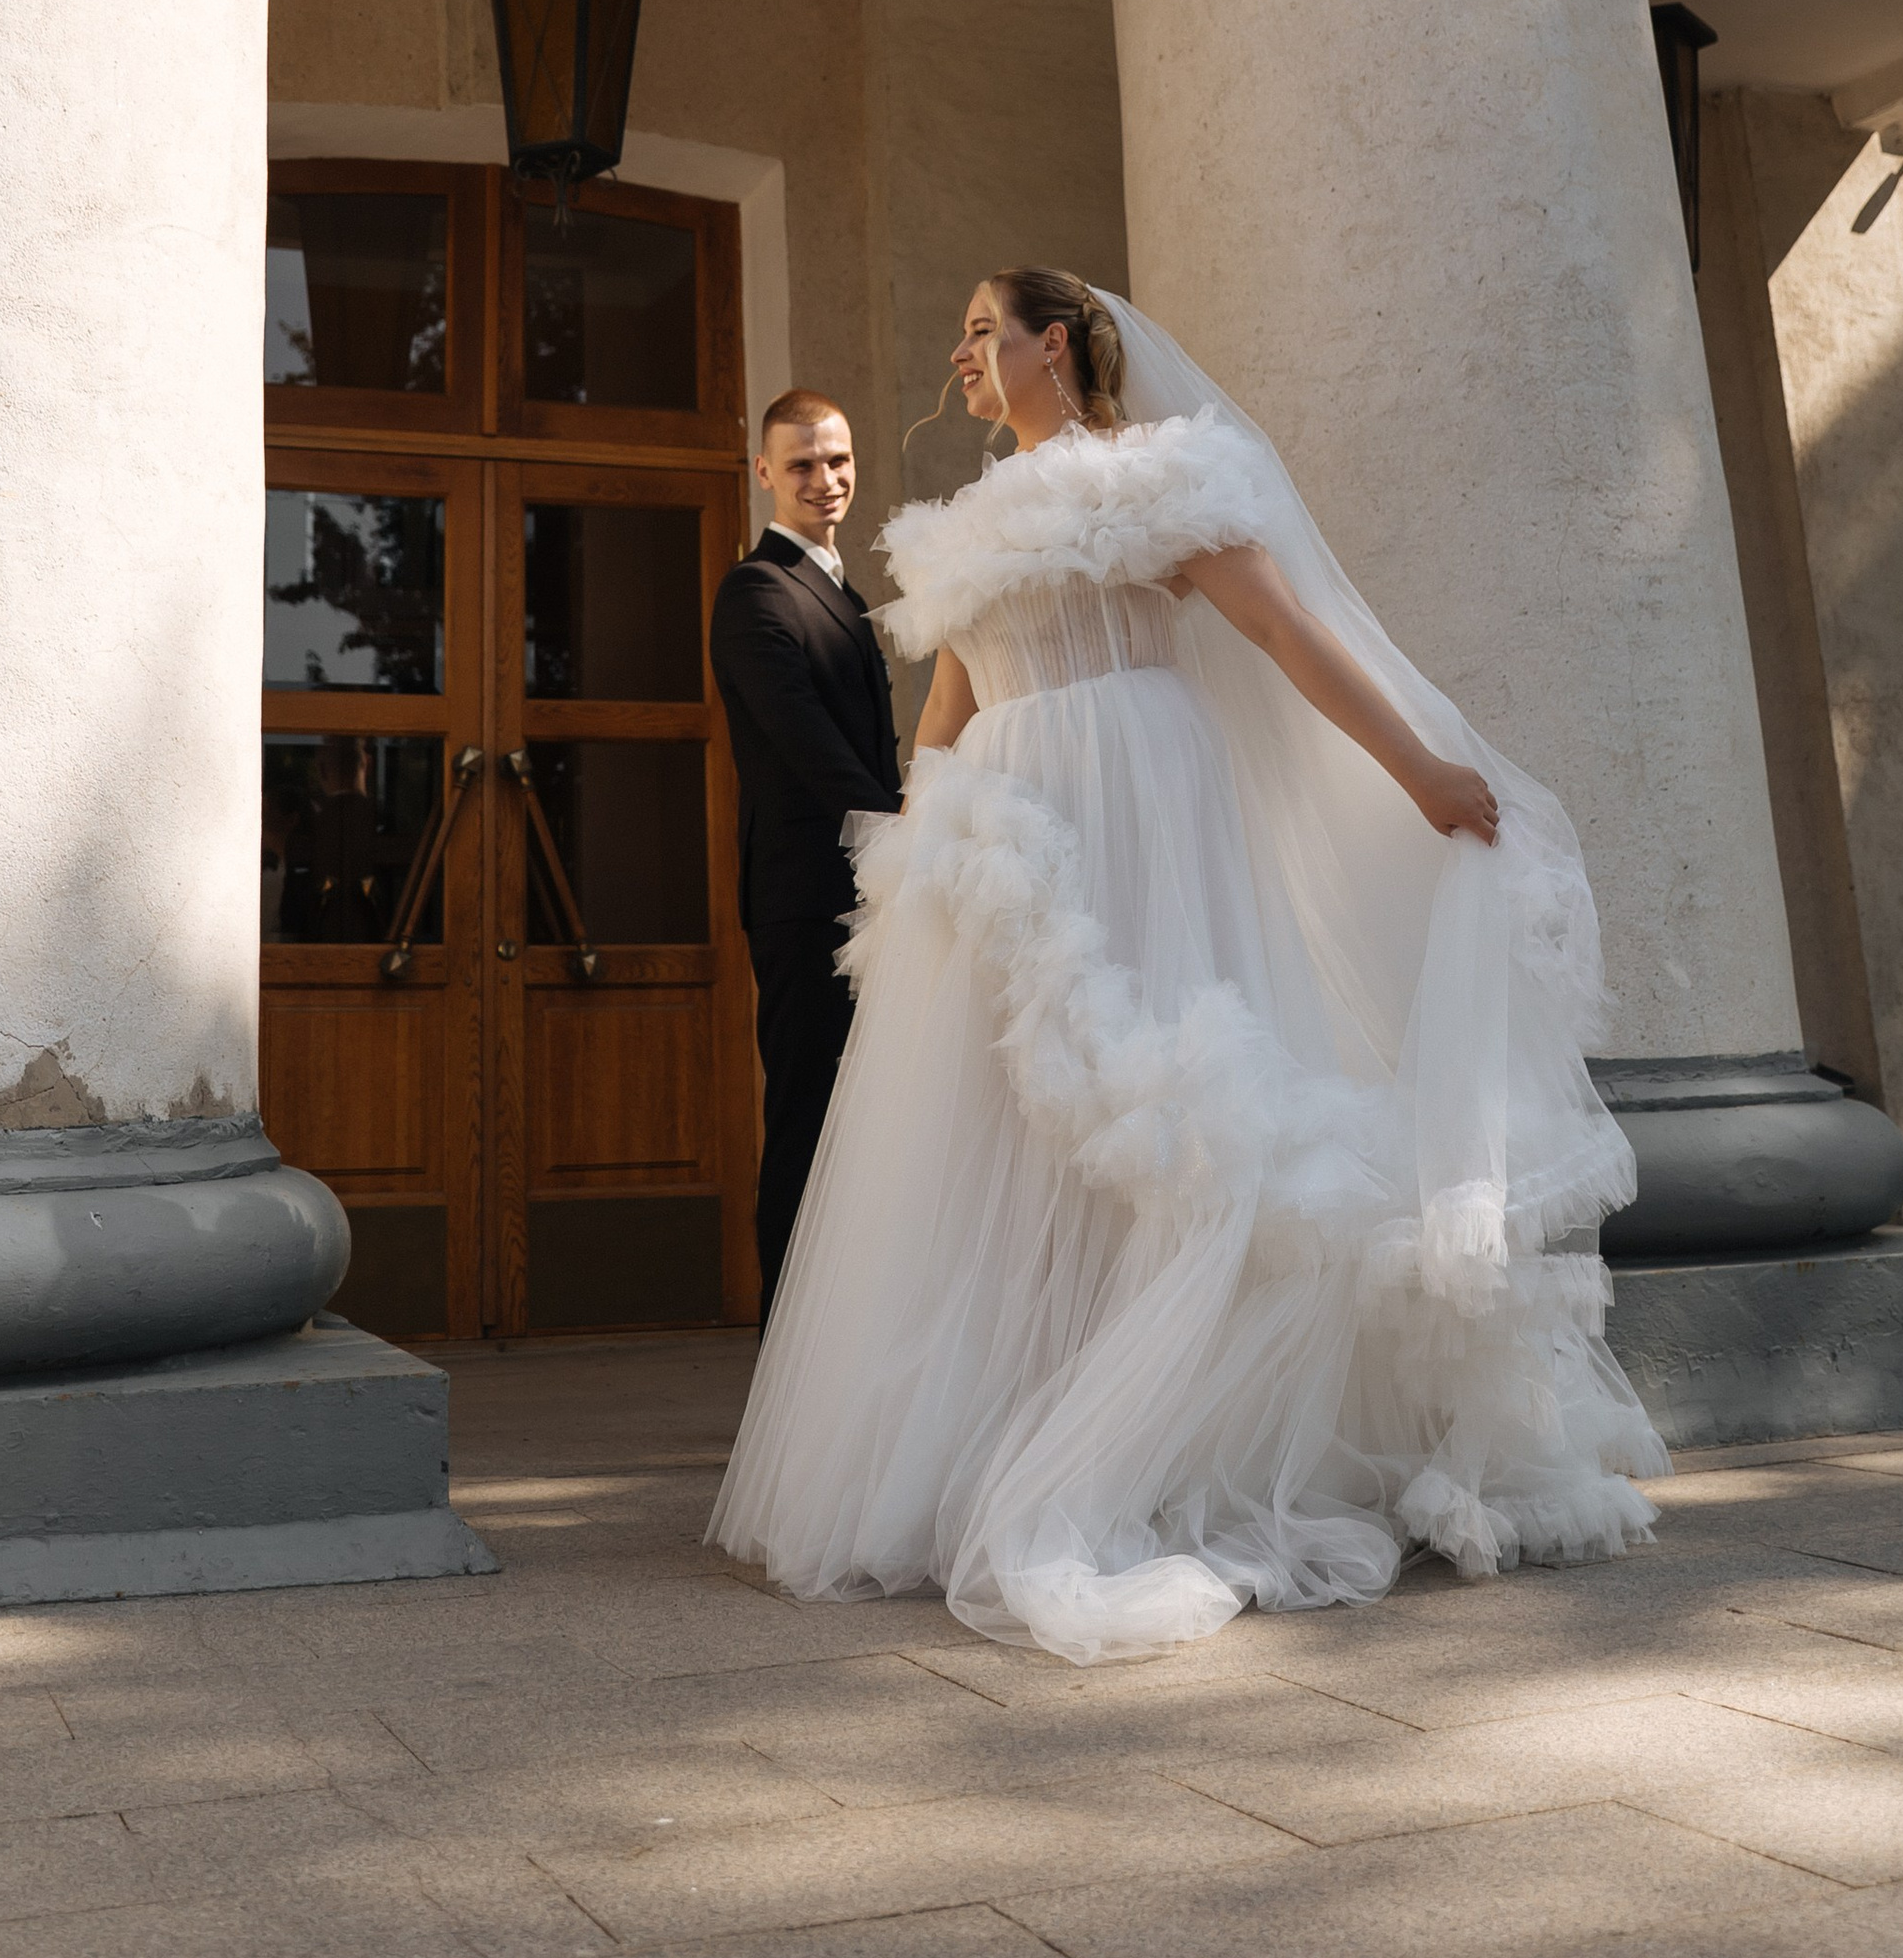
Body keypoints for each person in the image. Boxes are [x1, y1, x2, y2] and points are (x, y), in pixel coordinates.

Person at [710, 270, 1666, 1663]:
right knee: (1011, 1135)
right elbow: (951, 705)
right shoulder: (968, 523)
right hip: (1014, 830)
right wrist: (923, 852)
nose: (961, 354)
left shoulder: (1160, 482)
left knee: (1170, 1105)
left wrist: (1417, 771)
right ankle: (1000, 1434)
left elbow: (1284, 633)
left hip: (1144, 808)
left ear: (1055, 344)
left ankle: (1186, 1436)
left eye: (984, 330)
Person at [709, 387, 902, 1321]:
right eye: (801, 465)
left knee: (861, 1129)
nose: (825, 481)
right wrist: (907, 836)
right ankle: (787, 1346)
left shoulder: (839, 587)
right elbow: (809, 744)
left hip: (862, 891)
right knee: (807, 1121)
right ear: (763, 473)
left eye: (838, 461)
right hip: (806, 901)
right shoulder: (756, 591)